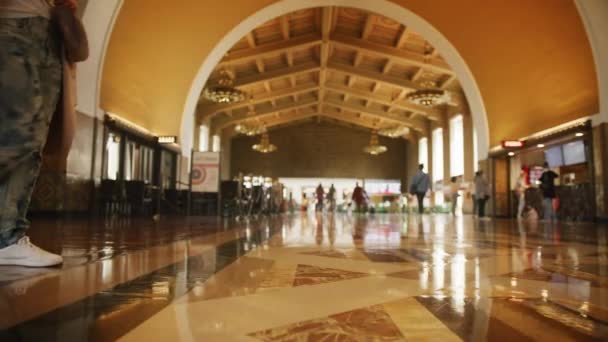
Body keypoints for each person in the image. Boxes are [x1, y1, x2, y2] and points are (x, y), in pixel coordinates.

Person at [0, 0, 81, 267]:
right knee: (16, 133)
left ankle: (7, 237)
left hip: (47, 31)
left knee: (32, 137)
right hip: (17, 25)